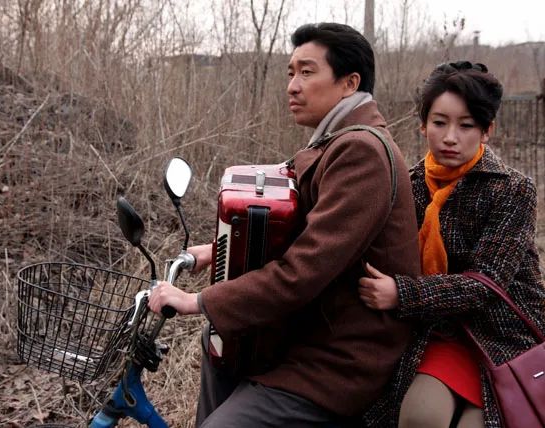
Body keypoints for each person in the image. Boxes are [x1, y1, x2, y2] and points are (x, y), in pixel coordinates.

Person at [149, 23, 421, 427]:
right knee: (219, 344)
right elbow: (294, 231)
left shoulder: (360, 152)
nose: (293, 86)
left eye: (307, 72)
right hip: (304, 335)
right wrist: (217, 249)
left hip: (339, 358)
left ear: (350, 83)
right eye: (291, 73)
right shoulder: (333, 141)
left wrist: (199, 301)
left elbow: (304, 269)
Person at [359, 61, 545, 428]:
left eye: (466, 126)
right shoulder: (407, 186)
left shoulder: (511, 189)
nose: (450, 137)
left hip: (502, 334)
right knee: (420, 417)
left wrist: (401, 294)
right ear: (423, 125)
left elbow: (486, 284)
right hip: (436, 333)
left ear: (487, 130)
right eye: (440, 123)